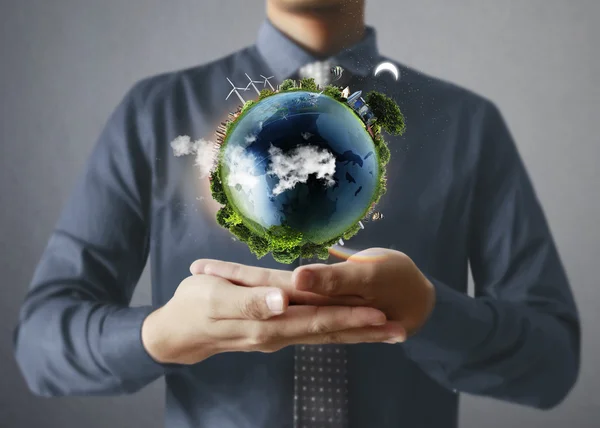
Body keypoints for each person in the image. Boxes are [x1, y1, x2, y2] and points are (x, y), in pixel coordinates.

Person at [13, 0, 580, 427]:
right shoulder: (154, 114)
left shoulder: (467, 126)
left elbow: (551, 365)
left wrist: (428, 312)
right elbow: (41, 347)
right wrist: (163, 333)